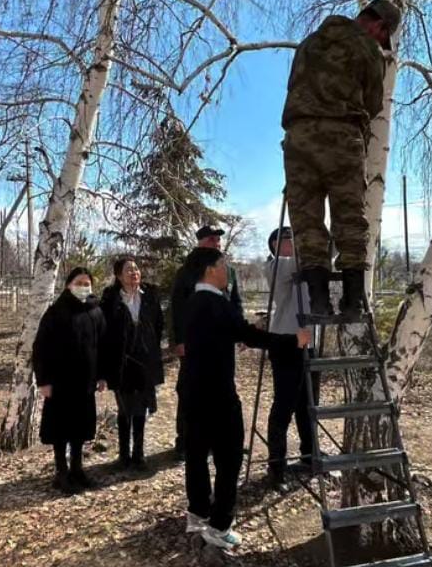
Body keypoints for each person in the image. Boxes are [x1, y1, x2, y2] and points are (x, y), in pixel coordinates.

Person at [181, 247, 311, 549]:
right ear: (210, 270)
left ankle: (198, 512)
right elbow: (249, 335)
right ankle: (219, 526)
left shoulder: (192, 302)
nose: (228, 270)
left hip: (192, 389)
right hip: (217, 393)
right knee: (229, 457)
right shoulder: (216, 302)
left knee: (197, 454)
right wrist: (294, 339)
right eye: (223, 264)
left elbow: (226, 335)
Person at [281, 0, 400, 315]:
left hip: (298, 139)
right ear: (379, 25)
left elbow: (294, 86)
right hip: (342, 137)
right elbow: (374, 103)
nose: (380, 42)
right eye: (383, 36)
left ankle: (318, 301)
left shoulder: (308, 44)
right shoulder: (367, 48)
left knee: (306, 218)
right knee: (349, 215)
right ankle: (352, 300)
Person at [170, 224, 243, 460]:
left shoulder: (228, 271)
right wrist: (179, 340)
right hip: (195, 343)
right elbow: (177, 307)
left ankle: (220, 439)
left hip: (222, 343)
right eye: (211, 239)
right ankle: (185, 440)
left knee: (223, 389)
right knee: (190, 390)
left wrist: (240, 331)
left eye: (218, 240)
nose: (216, 243)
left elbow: (236, 302)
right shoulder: (187, 271)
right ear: (200, 242)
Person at [33, 267, 106, 495]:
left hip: (86, 382)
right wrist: (43, 381)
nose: (83, 287)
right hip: (60, 382)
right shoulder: (56, 312)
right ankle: (61, 472)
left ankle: (77, 468)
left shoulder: (95, 312)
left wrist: (102, 375)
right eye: (79, 283)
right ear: (68, 285)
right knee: (61, 428)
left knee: (80, 427)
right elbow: (40, 348)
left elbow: (103, 346)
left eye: (87, 283)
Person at [264, 226, 320, 492]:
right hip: (286, 342)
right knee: (284, 405)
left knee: (308, 404)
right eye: (288, 238)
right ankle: (276, 466)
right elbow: (313, 256)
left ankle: (310, 455)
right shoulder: (277, 265)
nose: (294, 242)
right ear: (275, 244)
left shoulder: (302, 266)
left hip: (308, 342)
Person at [100, 257, 164, 471]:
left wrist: (150, 345)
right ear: (119, 276)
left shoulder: (150, 295)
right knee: (125, 408)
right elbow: (105, 332)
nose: (134, 272)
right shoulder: (111, 299)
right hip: (122, 362)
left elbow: (158, 324)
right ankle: (123, 455)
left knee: (141, 407)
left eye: (136, 269)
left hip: (145, 360)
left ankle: (138, 454)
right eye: (128, 270)